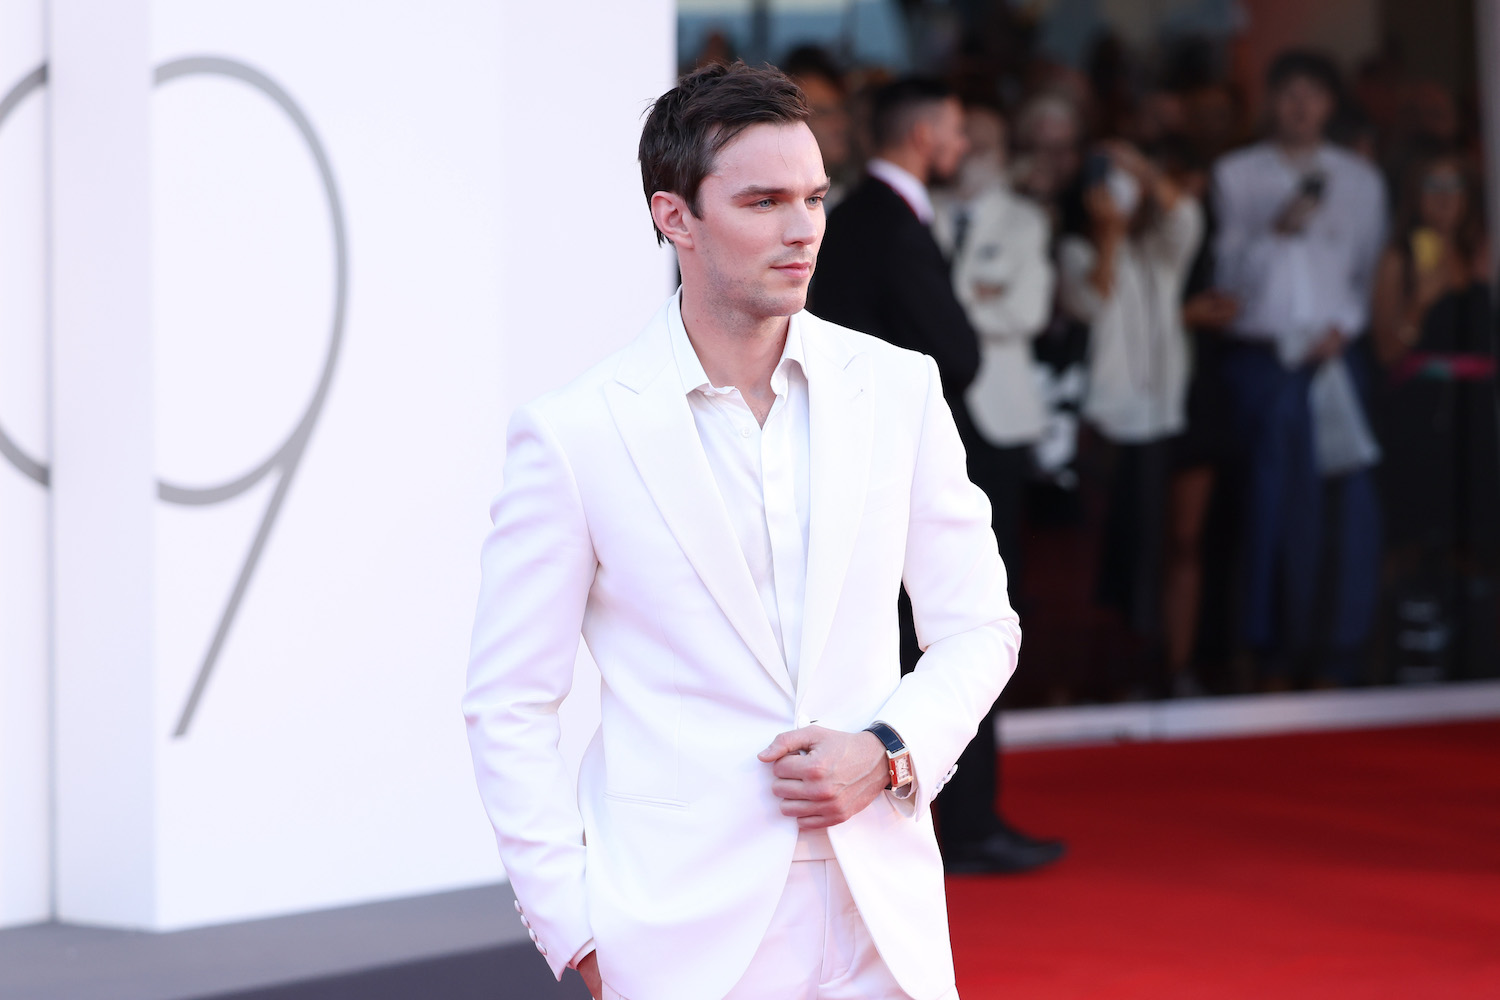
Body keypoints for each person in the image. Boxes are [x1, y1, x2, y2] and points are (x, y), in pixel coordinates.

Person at [464, 63, 1018, 1000]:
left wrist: (887, 749)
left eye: (813, 197)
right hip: (681, 932)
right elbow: (508, 703)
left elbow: (978, 626)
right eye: (763, 201)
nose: (802, 229)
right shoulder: (577, 432)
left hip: (884, 918)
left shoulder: (898, 389)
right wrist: (580, 933)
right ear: (673, 215)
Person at [810, 76, 1064, 875]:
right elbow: (957, 352)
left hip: (868, 461)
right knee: (962, 631)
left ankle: (921, 805)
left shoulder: (858, 219)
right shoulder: (888, 223)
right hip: (917, 463)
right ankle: (969, 821)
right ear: (924, 136)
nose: (963, 147)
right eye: (956, 131)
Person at [1212, 50, 1387, 686]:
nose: (1300, 105)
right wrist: (1274, 230)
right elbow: (1227, 282)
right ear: (1272, 100)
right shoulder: (1238, 175)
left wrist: (1349, 329)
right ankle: (1267, 652)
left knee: (1345, 514)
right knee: (1267, 512)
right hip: (1265, 365)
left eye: (1314, 94)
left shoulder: (1361, 181)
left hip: (1338, 364)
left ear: (1331, 104)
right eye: (1289, 93)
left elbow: (1368, 274)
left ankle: (1337, 652)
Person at [1057, 140, 1205, 689]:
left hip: (1161, 417)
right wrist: (1109, 235)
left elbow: (1186, 219)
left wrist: (1144, 168)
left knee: (1159, 544)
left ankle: (1161, 665)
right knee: (1102, 552)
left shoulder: (1159, 251)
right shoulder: (1075, 251)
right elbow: (1091, 303)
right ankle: (1101, 673)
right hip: (1106, 422)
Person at [1370, 148, 1499, 675]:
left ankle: (1475, 655)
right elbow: (1386, 351)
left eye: (1454, 188)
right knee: (1409, 537)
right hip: (1419, 412)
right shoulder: (1398, 257)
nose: (1443, 201)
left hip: (1478, 412)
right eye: (1432, 188)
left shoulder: (1486, 254)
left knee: (1477, 536)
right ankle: (1394, 656)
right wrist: (1422, 300)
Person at [931, 103, 1055, 593]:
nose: (968, 154)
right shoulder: (923, 208)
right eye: (962, 139)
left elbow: (1027, 313)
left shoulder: (1026, 220)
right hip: (934, 401)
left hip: (998, 410)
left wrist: (945, 305)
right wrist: (981, 296)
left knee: (999, 553)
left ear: (1004, 155)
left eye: (982, 145)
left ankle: (1005, 669)